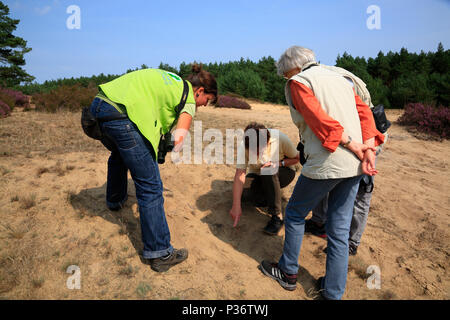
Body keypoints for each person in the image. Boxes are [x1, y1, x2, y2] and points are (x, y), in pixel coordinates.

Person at [258, 46, 384, 300]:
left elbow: (319, 120)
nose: (285, 78)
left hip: (328, 162)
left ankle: (288, 272)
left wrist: (351, 142)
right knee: (338, 228)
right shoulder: (340, 77)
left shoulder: (299, 82)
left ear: (293, 68)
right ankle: (333, 292)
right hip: (355, 164)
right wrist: (369, 147)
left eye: (284, 73)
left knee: (293, 213)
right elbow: (364, 114)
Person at [89, 64, 217, 272]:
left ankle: (114, 199)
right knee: (151, 185)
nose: (203, 105)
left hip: (99, 106)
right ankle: (160, 253)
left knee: (119, 155)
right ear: (200, 91)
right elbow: (179, 138)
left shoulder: (173, 81)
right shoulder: (189, 98)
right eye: (207, 100)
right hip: (121, 115)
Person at [304, 64, 389, 256]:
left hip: (368, 134)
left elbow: (365, 117)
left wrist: (367, 149)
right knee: (325, 173)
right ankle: (319, 222)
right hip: (348, 134)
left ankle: (351, 241)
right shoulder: (318, 79)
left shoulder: (335, 80)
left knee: (361, 190)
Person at [229, 122, 300, 235]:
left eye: (260, 149)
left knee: (267, 169)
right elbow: (240, 174)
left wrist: (278, 163)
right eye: (254, 151)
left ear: (267, 140)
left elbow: (297, 158)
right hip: (258, 175)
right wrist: (235, 206)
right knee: (244, 195)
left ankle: (277, 216)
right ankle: (272, 195)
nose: (257, 154)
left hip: (283, 172)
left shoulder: (280, 138)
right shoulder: (245, 144)